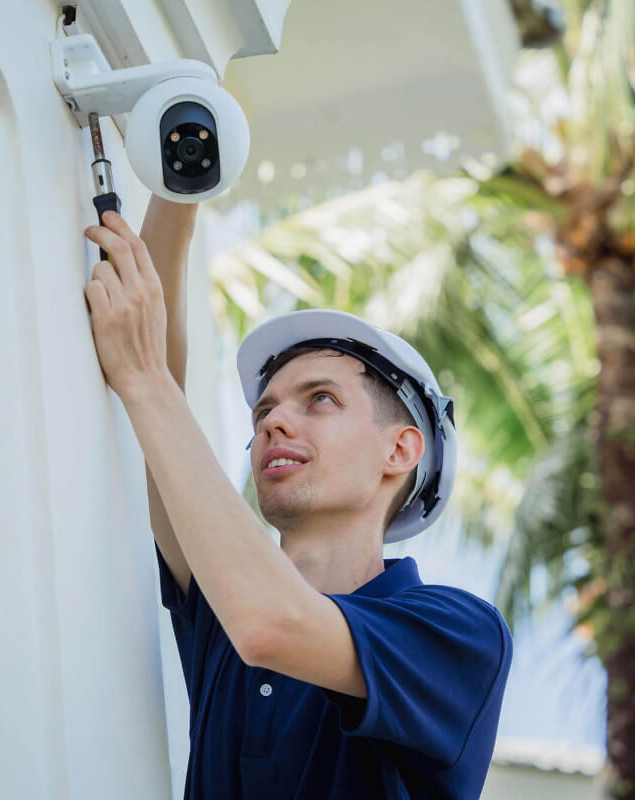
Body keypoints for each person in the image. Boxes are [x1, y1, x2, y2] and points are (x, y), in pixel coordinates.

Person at [84, 195, 512, 800]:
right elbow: (160, 381)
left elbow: (270, 625)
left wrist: (145, 379)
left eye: (321, 400)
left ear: (400, 451)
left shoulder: (455, 636)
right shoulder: (222, 606)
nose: (272, 424)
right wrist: (176, 183)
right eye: (265, 410)